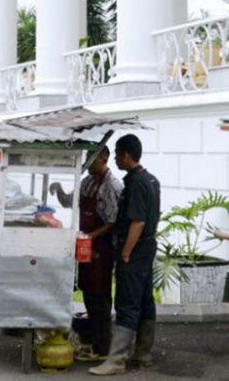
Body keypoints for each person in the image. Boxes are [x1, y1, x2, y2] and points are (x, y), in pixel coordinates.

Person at [89, 134, 160, 376]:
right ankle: (143, 353)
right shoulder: (151, 180)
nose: (115, 159)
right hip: (149, 247)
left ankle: (116, 359)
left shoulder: (136, 183)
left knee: (127, 302)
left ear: (127, 155)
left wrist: (127, 252)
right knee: (144, 300)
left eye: (117, 154)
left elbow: (138, 222)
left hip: (136, 248)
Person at [50, 145, 122, 362]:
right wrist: (59, 190)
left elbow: (113, 222)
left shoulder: (111, 186)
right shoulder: (88, 182)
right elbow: (69, 201)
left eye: (92, 158)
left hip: (103, 248)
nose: (87, 163)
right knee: (89, 292)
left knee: (100, 297)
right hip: (87, 246)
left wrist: (91, 237)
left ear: (104, 158)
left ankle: (102, 348)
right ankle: (93, 341)